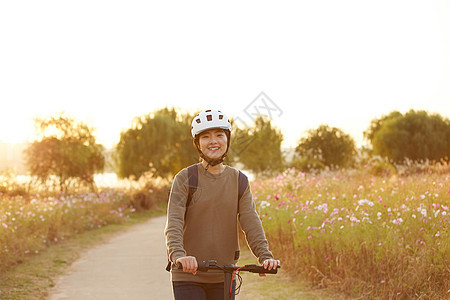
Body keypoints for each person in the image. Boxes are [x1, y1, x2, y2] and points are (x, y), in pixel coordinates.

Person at [165, 109, 280, 300]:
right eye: (206, 136)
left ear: (227, 140)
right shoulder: (185, 178)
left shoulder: (239, 180)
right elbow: (174, 221)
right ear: (197, 143)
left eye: (219, 135)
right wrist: (178, 255)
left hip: (225, 275)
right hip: (188, 274)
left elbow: (250, 221)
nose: (213, 141)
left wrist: (265, 256)